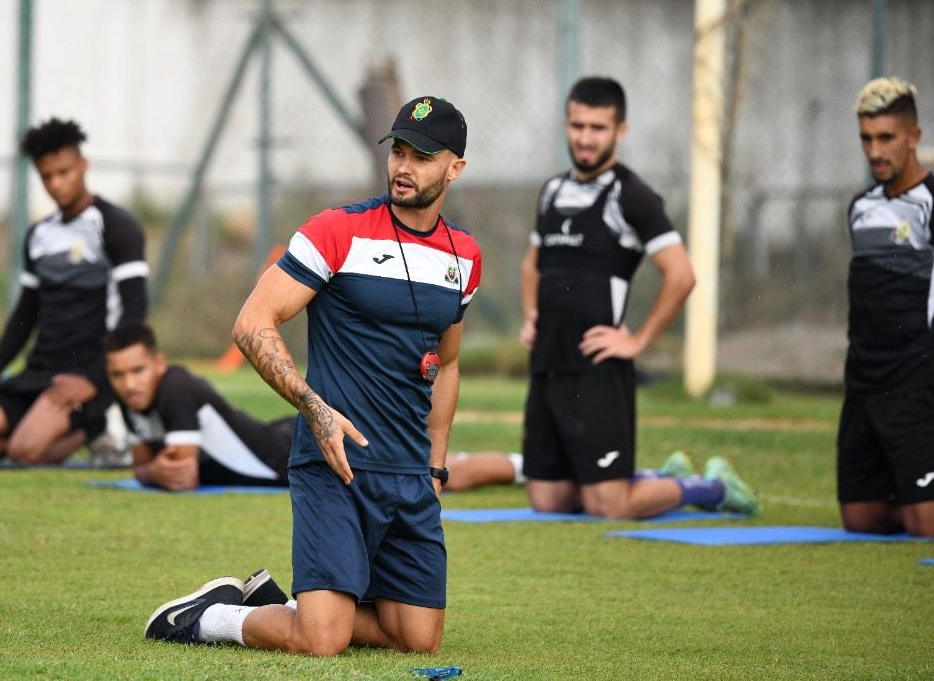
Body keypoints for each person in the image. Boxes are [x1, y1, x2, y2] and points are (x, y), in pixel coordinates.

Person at [144, 95, 482, 656]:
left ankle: (285, 603)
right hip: (334, 465)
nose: (403, 166)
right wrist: (314, 409)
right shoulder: (337, 231)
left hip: (407, 474)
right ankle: (207, 617)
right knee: (323, 641)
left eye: (422, 156)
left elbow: (445, 363)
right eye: (398, 151)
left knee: (418, 639)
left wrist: (436, 467)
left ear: (455, 168)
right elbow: (253, 323)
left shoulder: (464, 256)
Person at [520, 76, 759, 519]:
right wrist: (531, 315)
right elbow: (531, 265)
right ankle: (652, 477)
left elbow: (682, 275)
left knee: (607, 505)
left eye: (597, 128)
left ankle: (709, 486)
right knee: (548, 501)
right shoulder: (552, 190)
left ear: (620, 131)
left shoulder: (632, 195)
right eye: (577, 126)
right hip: (549, 364)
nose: (585, 138)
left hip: (597, 370)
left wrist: (637, 341)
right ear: (566, 125)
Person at [0, 118, 147, 465]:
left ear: (84, 166)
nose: (56, 184)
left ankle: (97, 426)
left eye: (64, 172)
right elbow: (25, 313)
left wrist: (99, 380)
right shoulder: (38, 235)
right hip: (38, 368)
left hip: (86, 370)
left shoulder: (116, 226)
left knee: (26, 452)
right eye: (47, 176)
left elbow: (135, 311)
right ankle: (36, 426)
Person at [840, 77, 934, 536]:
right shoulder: (860, 207)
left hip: (915, 380)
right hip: (863, 380)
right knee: (861, 519)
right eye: (866, 138)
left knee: (925, 524)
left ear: (913, 137)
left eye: (886, 138)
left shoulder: (930, 203)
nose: (875, 151)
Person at [103, 321, 295, 489]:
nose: (129, 384)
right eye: (117, 374)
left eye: (138, 370)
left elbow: (184, 480)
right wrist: (153, 472)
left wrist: (151, 472)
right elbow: (141, 468)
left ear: (160, 362)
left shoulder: (175, 387)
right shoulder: (131, 398)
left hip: (294, 453)